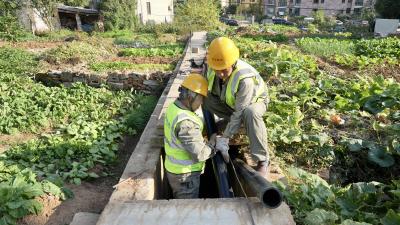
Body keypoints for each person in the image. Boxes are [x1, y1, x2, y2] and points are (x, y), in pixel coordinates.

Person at [204, 37, 270, 176]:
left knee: (249, 113)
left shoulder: (244, 79)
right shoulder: (212, 68)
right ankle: (230, 124)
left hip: (254, 103)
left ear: (233, 63)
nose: (220, 74)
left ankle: (263, 160)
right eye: (217, 70)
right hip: (231, 103)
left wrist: (225, 137)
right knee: (205, 98)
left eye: (224, 70)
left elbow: (240, 110)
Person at [164, 73, 216, 199]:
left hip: (176, 170)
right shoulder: (186, 123)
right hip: (185, 177)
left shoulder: (174, 108)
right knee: (186, 211)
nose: (201, 103)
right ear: (191, 95)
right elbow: (200, 154)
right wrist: (213, 143)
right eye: (201, 98)